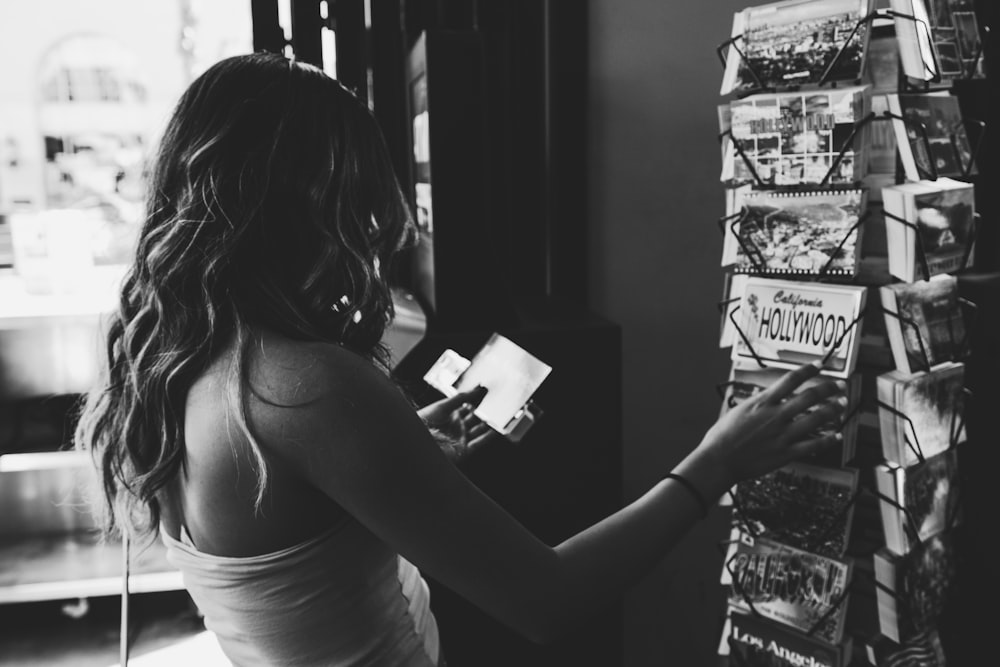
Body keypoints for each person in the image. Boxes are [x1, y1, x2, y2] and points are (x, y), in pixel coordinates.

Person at [74, 52, 848, 667]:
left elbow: (288, 537)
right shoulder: (307, 386)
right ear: (297, 199)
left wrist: (406, 451)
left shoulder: (173, 358)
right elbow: (550, 600)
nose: (370, 227)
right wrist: (719, 459)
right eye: (349, 195)